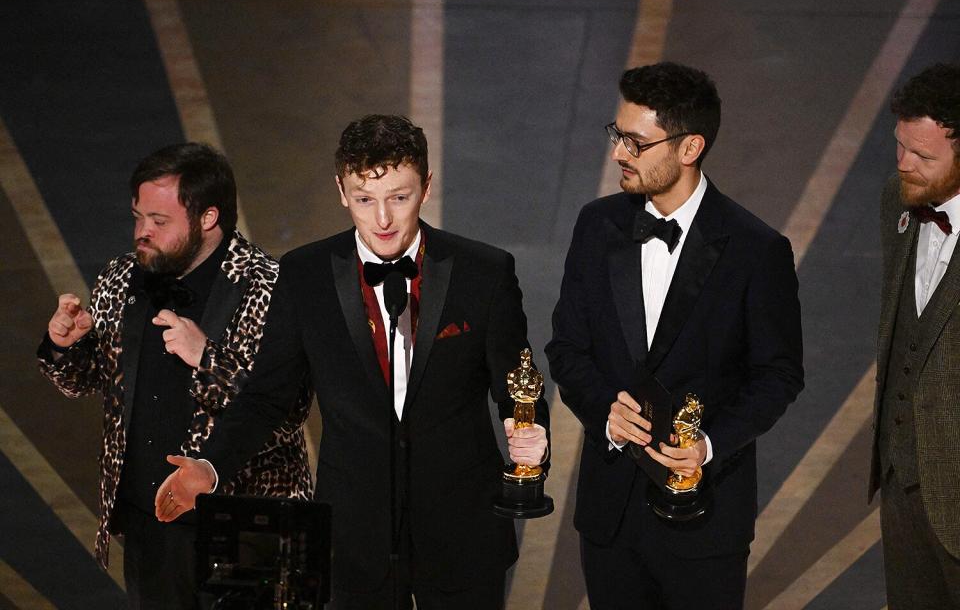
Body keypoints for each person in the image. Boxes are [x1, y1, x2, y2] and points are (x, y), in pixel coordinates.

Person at [154, 115, 550, 609]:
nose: (382, 219)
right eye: (365, 200)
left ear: (426, 188)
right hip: (355, 536)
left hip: (461, 529)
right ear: (341, 192)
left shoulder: (484, 271)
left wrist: (530, 436)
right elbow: (268, 396)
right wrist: (211, 467)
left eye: (399, 198)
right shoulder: (304, 275)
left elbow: (518, 384)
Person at [546, 62, 803, 609]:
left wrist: (709, 444)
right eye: (617, 135)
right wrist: (604, 412)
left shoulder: (756, 250)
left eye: (636, 143)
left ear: (689, 148)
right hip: (609, 514)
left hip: (705, 519)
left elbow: (777, 375)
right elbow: (566, 349)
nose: (618, 153)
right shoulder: (597, 226)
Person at [37, 143, 313, 609]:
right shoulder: (122, 278)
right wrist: (67, 346)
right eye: (138, 216)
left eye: (159, 221)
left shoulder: (270, 286)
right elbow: (85, 382)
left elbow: (286, 413)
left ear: (208, 218)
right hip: (154, 527)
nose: (141, 233)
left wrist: (207, 356)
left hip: (246, 523)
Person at [869, 62, 960, 609]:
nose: (904, 165)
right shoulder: (895, 202)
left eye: (923, 156)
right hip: (904, 483)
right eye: (900, 146)